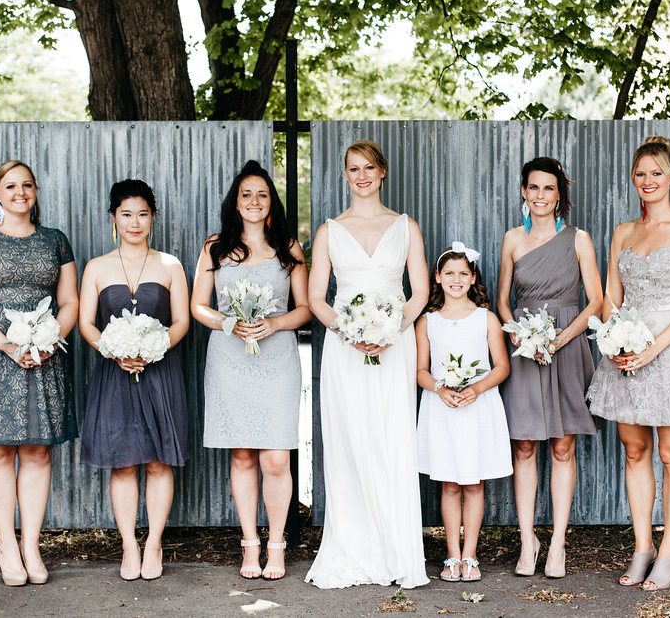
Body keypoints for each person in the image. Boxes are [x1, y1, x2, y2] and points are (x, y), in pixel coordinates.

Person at [587, 136, 670, 591]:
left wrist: (653, 347)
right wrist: (613, 340)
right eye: (640, 173)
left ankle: (669, 552)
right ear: (634, 179)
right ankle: (642, 547)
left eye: (656, 173)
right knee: (634, 450)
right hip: (626, 350)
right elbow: (611, 297)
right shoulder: (624, 232)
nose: (648, 181)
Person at [304, 140, 430, 589]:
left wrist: (390, 330)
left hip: (395, 345)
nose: (361, 176)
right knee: (352, 441)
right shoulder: (329, 231)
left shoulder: (406, 226)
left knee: (391, 439)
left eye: (369, 168)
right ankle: (353, 548)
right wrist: (350, 333)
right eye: (353, 169)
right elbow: (316, 299)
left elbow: (420, 292)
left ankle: (396, 551)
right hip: (346, 349)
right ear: (345, 175)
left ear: (382, 172)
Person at [0, 160, 79, 586]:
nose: (20, 192)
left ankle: (31, 545)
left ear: (35, 192)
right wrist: (8, 345)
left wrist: (48, 341)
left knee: (38, 451)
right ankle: (7, 544)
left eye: (27, 185)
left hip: (44, 354)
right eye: (10, 186)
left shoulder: (55, 240)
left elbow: (70, 301)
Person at [191, 160, 310, 581]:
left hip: (277, 360)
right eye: (247, 195)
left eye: (262, 194)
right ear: (236, 202)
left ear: (271, 202)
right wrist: (228, 322)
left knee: (276, 458)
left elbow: (305, 308)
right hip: (230, 358)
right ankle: (249, 544)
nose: (254, 201)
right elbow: (198, 306)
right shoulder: (215, 247)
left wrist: (274, 324)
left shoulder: (289, 248)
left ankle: (276, 544)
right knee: (241, 454)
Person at [496, 156, 603, 579]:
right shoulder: (512, 239)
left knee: (562, 447)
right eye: (534, 187)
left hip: (567, 345)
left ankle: (557, 543)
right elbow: (503, 301)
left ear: (559, 196)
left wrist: (558, 340)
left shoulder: (579, 239)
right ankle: (528, 541)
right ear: (524, 192)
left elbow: (596, 301)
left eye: (549, 188)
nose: (540, 195)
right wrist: (520, 337)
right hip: (525, 349)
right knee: (523, 446)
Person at [78, 179, 190, 581]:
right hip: (115, 375)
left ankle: (155, 543)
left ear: (152, 217)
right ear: (113, 217)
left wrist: (154, 348)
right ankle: (129, 545)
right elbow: (86, 324)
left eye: (142, 214)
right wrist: (114, 350)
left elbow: (182, 321)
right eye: (126, 214)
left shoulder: (170, 265)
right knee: (123, 464)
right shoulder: (97, 267)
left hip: (160, 373)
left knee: (159, 463)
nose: (135, 222)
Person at [416, 243, 512, 583]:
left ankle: (470, 555)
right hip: (443, 409)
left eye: (463, 273)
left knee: (473, 484)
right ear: (438, 278)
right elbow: (421, 371)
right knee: (449, 485)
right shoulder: (427, 322)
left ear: (473, 278)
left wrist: (477, 388)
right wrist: (440, 389)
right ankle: (452, 555)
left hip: (477, 408)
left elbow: (501, 367)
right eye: (449, 273)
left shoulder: (486, 318)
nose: (456, 279)